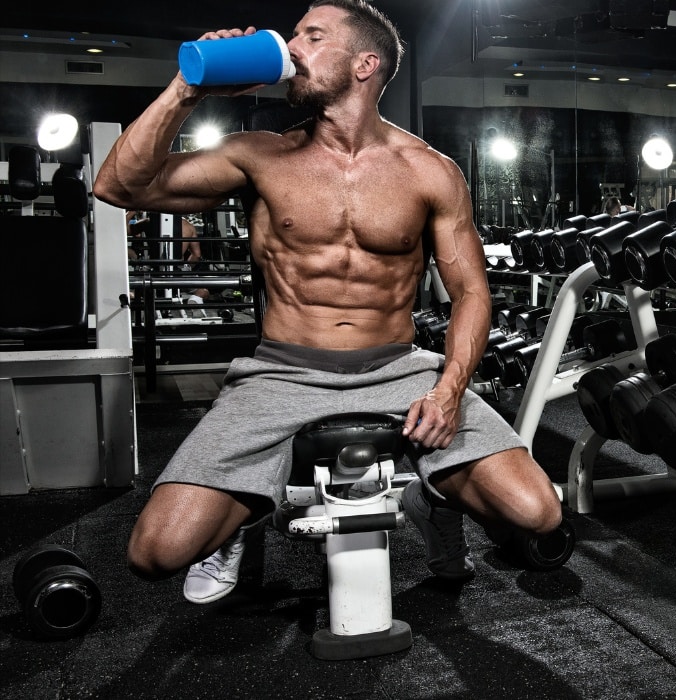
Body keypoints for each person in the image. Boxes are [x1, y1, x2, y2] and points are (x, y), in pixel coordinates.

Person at [93, 0, 562, 604]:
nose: (291, 48)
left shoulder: (429, 172)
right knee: (155, 553)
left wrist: (447, 392)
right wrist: (189, 86)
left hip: (397, 367)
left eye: (311, 36)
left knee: (538, 513)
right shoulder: (258, 154)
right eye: (293, 35)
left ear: (365, 64)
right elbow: (116, 186)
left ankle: (431, 497)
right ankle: (243, 519)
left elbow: (472, 292)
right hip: (281, 371)